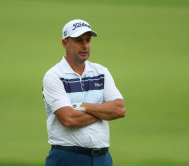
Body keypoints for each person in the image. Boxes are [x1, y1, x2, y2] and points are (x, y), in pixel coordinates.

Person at [42, 19, 126, 166]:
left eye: (88, 40)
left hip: (102, 158)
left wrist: (85, 106)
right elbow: (69, 119)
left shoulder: (101, 72)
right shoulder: (54, 76)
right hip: (67, 157)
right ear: (65, 43)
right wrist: (103, 111)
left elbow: (119, 109)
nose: (85, 46)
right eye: (79, 41)